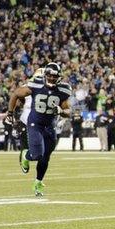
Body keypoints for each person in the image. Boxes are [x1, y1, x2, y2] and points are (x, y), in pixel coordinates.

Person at [6, 62, 72, 197]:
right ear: (45, 75)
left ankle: (38, 182)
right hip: (35, 123)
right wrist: (10, 113)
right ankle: (26, 155)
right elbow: (16, 94)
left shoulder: (63, 89)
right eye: (49, 75)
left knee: (45, 157)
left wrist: (60, 110)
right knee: (37, 155)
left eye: (55, 76)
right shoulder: (35, 84)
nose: (52, 78)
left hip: (50, 126)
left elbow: (68, 111)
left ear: (59, 76)